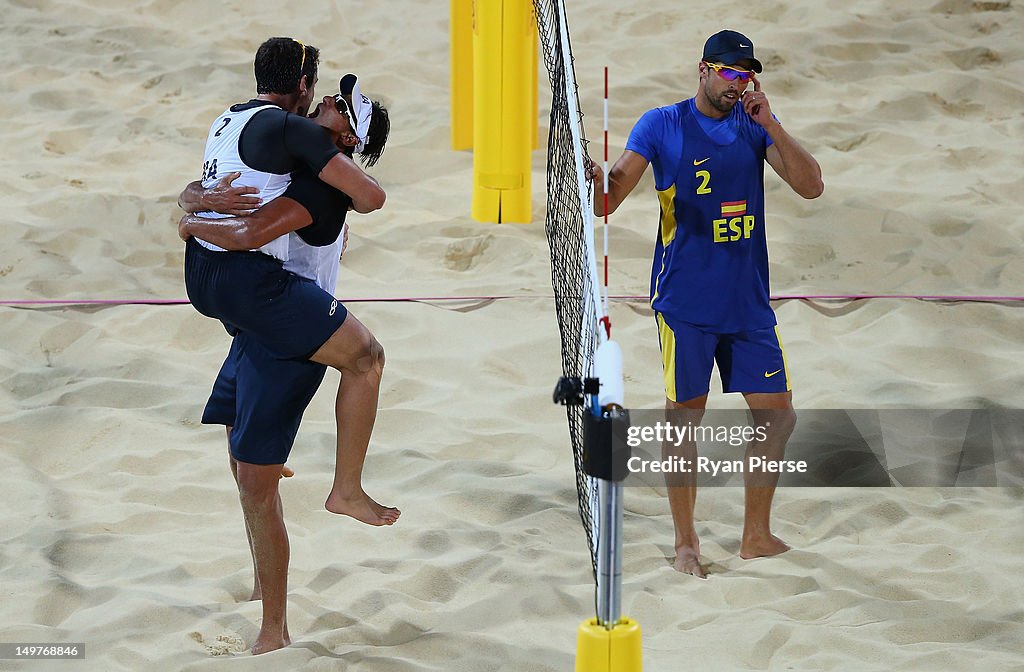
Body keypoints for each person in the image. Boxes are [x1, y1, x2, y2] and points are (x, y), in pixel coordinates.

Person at [589, 30, 823, 578]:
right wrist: (591, 175)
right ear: (703, 69)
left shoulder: (753, 125)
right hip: (685, 303)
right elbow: (606, 202)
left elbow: (811, 187)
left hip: (747, 303)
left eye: (747, 75)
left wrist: (772, 123)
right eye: (729, 72)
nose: (738, 83)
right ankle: (686, 541)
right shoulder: (661, 125)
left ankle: (756, 535)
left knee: (777, 415)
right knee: (683, 425)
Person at [179, 84, 392, 655]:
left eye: (339, 103)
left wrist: (191, 223)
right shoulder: (301, 163)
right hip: (263, 325)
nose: (326, 96)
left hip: (290, 340)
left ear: (347, 136)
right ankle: (260, 582)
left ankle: (275, 629)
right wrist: (197, 195)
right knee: (241, 456)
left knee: (256, 483)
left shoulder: (320, 188)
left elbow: (248, 232)